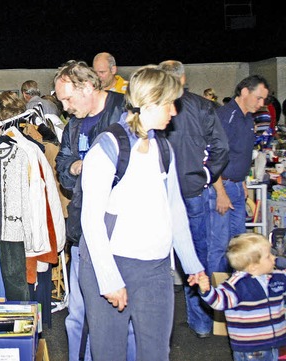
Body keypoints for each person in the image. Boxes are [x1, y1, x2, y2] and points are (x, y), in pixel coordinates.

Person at [78, 66, 204, 361]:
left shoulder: (163, 147)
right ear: (150, 102)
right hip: (111, 264)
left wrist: (192, 264)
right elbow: (91, 221)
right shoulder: (108, 146)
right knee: (110, 354)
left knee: (157, 352)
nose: (174, 111)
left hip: (157, 270)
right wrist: (109, 280)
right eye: (170, 103)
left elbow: (175, 208)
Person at [53, 59, 127, 361]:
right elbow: (63, 169)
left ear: (87, 86)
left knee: (123, 319)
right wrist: (75, 166)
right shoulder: (73, 124)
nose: (66, 107)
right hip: (84, 228)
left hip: (121, 231)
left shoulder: (125, 113)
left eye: (68, 98)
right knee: (78, 315)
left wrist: (99, 166)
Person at [159, 60, 230, 338]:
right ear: (184, 78)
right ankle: (200, 322)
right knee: (196, 256)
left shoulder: (155, 108)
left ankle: (160, 323)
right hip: (192, 189)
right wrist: (206, 175)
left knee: (158, 257)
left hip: (161, 192)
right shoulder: (202, 106)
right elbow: (221, 147)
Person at [212, 75, 270, 273]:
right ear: (244, 92)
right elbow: (213, 156)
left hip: (236, 186)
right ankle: (217, 294)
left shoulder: (246, 118)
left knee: (240, 245)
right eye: (258, 98)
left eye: (264, 100)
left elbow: (239, 154)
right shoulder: (225, 116)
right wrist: (220, 191)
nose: (262, 104)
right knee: (220, 245)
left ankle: (238, 292)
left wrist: (242, 181)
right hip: (223, 187)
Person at [198, 233, 286, 361]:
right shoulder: (236, 285)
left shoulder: (277, 277)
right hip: (252, 349)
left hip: (277, 343)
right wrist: (207, 290)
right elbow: (219, 300)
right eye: (269, 256)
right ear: (253, 266)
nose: (274, 258)